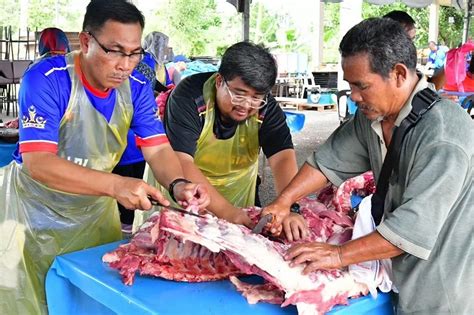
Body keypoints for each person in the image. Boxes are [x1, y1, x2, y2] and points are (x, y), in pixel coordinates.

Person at [0, 0, 209, 314]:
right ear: (86, 42)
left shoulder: (137, 85)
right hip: (33, 214)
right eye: (115, 51)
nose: (125, 64)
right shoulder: (47, 78)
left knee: (92, 297)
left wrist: (178, 184)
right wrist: (117, 186)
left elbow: (158, 148)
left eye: (134, 52)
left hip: (95, 214)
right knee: (32, 300)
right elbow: (39, 163)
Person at [263, 18, 473, 314]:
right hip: (404, 274)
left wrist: (338, 255)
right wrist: (284, 201)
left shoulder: (442, 134)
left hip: (444, 288)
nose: (353, 96)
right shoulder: (374, 116)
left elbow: (412, 230)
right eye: (350, 85)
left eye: (362, 86)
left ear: (399, 74)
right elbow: (327, 162)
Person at [164, 41, 304, 235]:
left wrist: (289, 205)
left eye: (256, 97)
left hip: (240, 200)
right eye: (239, 94)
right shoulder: (188, 97)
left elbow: (282, 156)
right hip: (186, 201)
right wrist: (228, 213)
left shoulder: (265, 106)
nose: (246, 105)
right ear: (220, 81)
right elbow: (182, 162)